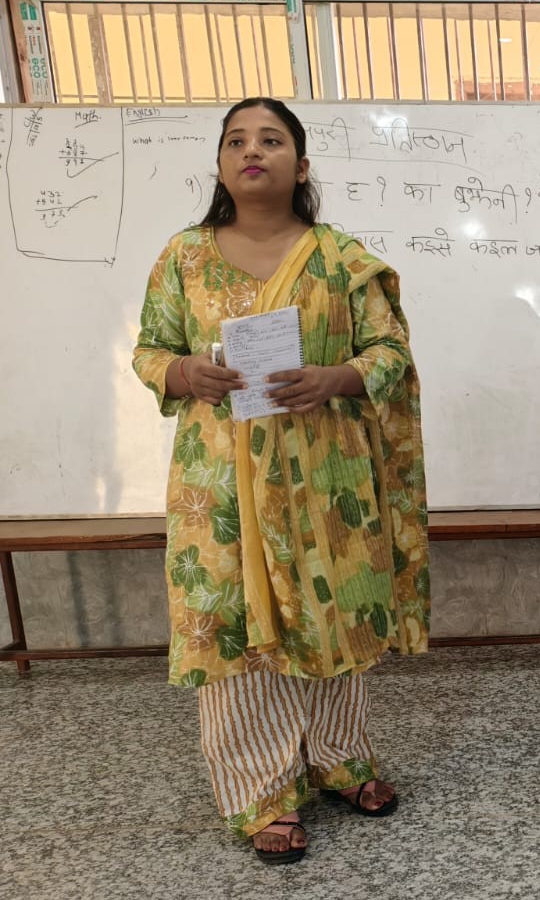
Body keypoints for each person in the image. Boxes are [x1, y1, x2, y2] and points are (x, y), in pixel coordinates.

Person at [131, 97, 429, 862]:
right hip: (220, 483)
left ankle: (339, 756)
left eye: (270, 139)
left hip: (325, 475)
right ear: (220, 164)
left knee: (330, 612)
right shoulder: (185, 257)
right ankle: (261, 789)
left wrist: (336, 376)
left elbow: (389, 351)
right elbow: (149, 350)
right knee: (234, 626)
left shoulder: (339, 257)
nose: (252, 150)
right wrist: (184, 371)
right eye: (236, 140)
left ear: (301, 164)